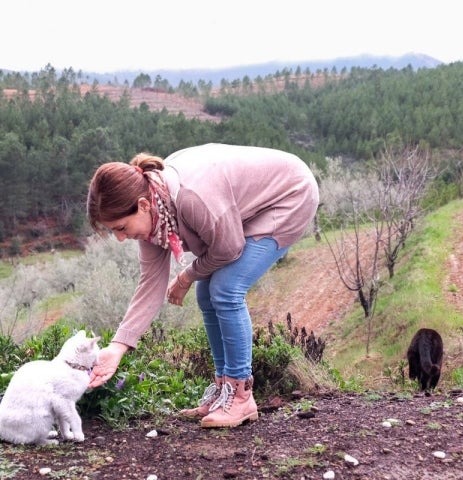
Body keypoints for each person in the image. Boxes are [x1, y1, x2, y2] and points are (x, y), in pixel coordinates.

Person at [86, 143, 319, 428]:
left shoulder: (190, 198)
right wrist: (117, 348)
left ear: (143, 205)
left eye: (121, 228)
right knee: (205, 293)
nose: (121, 237)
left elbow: (228, 248)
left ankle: (241, 397)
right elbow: (150, 285)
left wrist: (186, 276)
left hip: (289, 196)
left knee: (225, 288)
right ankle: (224, 390)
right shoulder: (154, 216)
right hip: (243, 210)